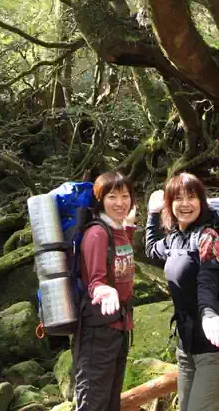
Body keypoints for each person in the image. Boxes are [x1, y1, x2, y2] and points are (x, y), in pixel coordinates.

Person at [145, 172, 219, 411]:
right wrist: (152, 215)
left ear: (201, 201)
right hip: (186, 348)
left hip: (214, 347)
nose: (185, 204)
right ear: (170, 204)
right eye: (178, 198)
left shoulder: (209, 237)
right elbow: (151, 249)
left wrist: (208, 314)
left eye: (191, 197)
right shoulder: (175, 239)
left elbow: (208, 280)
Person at [73, 171, 138, 411]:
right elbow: (95, 281)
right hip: (98, 332)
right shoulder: (97, 234)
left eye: (125, 195)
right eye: (112, 196)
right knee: (93, 402)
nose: (120, 202)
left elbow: (122, 258)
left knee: (111, 402)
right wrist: (104, 290)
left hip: (119, 328)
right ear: (100, 200)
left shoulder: (119, 230)